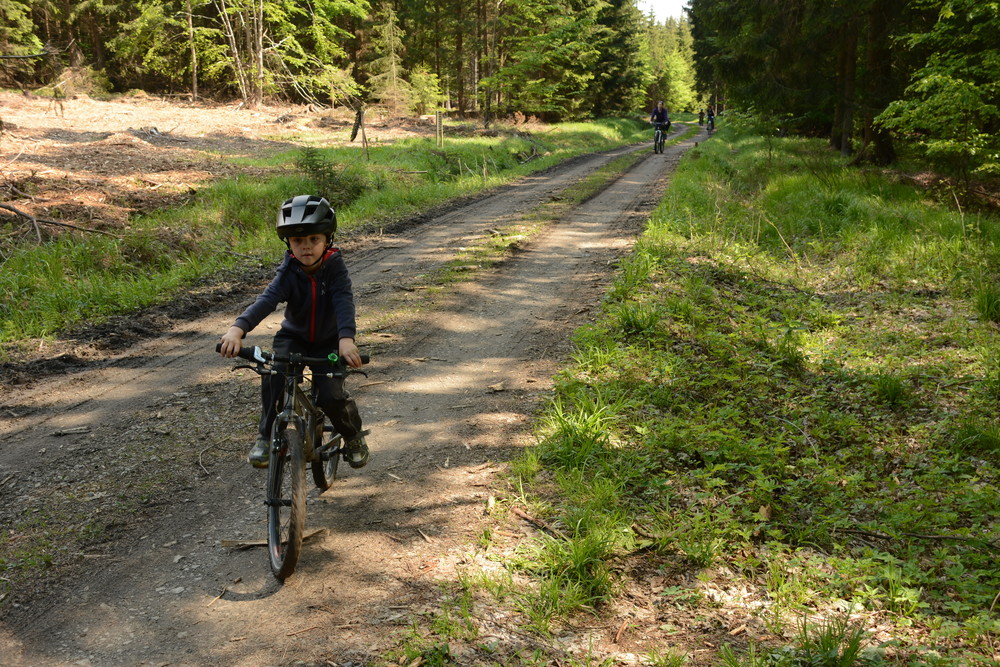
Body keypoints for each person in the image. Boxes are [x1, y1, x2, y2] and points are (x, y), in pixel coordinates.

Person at [218, 195, 368, 469]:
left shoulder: (335, 268)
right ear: (288, 243)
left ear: (327, 240)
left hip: (330, 342)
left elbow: (343, 301)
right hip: (294, 338)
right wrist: (236, 329)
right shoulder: (288, 270)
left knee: (331, 396)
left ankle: (353, 435)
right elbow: (267, 299)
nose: (306, 247)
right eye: (298, 241)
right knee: (275, 375)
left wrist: (346, 339)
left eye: (314, 239)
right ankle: (265, 435)